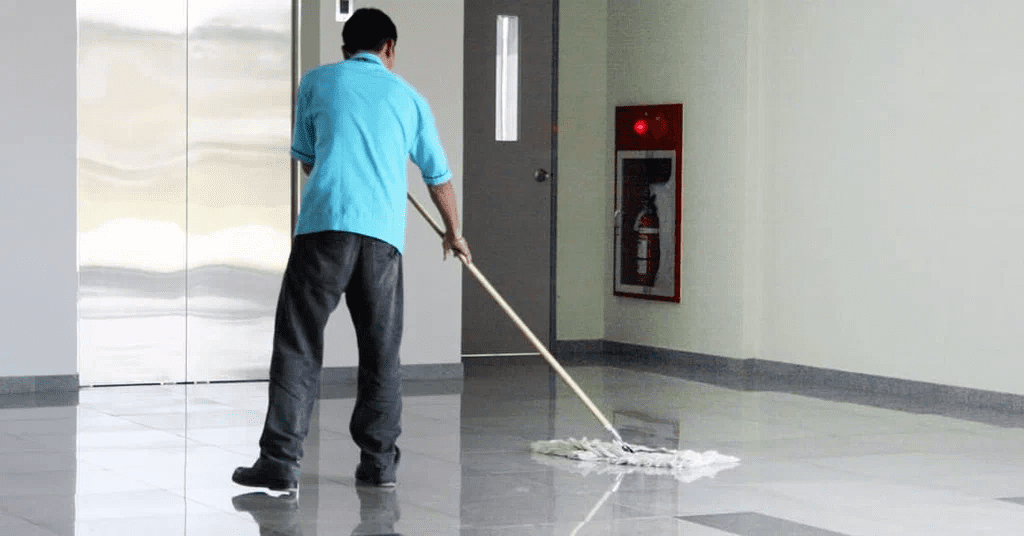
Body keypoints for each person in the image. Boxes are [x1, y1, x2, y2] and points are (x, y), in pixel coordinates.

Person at [232, 7, 470, 493]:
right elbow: (438, 178)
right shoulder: (410, 98)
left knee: (298, 342)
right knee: (381, 352)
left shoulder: (316, 83)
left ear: (345, 50)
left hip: (324, 228)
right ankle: (378, 464)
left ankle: (279, 459)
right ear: (389, 50)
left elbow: (308, 163)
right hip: (382, 240)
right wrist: (453, 232)